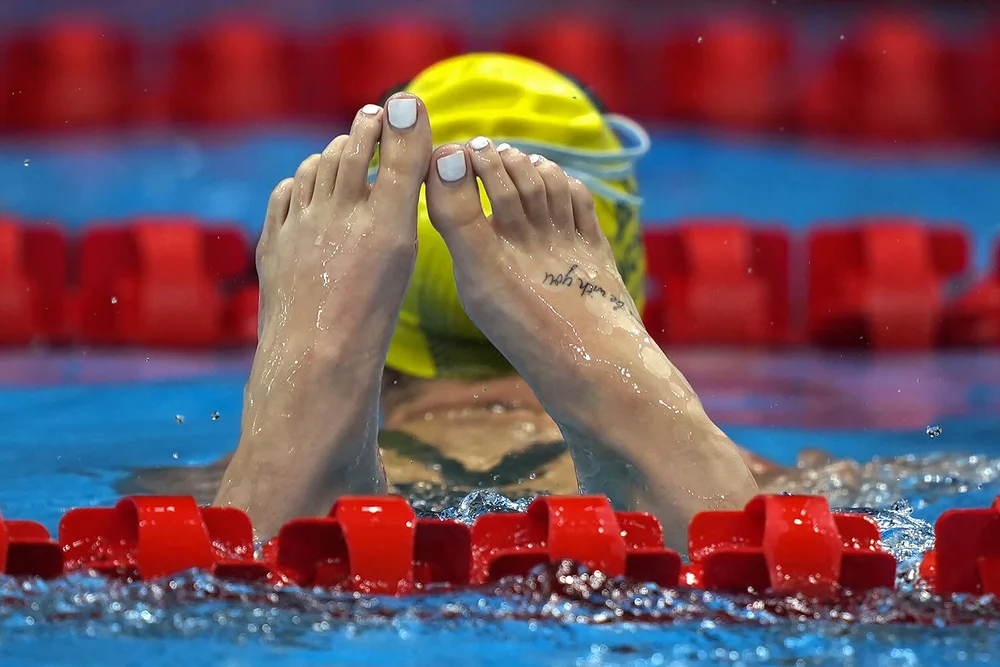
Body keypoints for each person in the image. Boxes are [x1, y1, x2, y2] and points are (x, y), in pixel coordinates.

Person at [128, 54, 765, 551]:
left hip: (286, 572)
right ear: (626, 280)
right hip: (667, 577)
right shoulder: (793, 480)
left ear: (379, 295)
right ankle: (638, 412)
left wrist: (299, 390)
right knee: (780, 556)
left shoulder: (194, 488)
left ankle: (308, 404)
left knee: (219, 558)